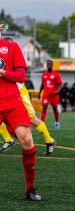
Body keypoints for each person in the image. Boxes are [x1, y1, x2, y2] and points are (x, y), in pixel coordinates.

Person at [0, 25, 41, 201]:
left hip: (12, 100)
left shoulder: (12, 47)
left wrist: (3, 72)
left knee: (26, 138)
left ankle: (29, 188)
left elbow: (20, 77)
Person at [0, 83, 56, 156]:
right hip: (4, 95)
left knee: (31, 118)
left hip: (19, 93)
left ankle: (49, 141)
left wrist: (5, 73)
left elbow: (21, 74)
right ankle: (8, 140)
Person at [38, 60, 63, 129]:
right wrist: (39, 93)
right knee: (44, 106)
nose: (49, 65)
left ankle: (57, 123)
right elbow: (42, 85)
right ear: (46, 65)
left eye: (50, 64)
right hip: (46, 94)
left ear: (52, 65)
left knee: (55, 108)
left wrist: (58, 91)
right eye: (48, 64)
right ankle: (42, 124)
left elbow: (60, 84)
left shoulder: (56, 74)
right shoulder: (44, 74)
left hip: (54, 95)